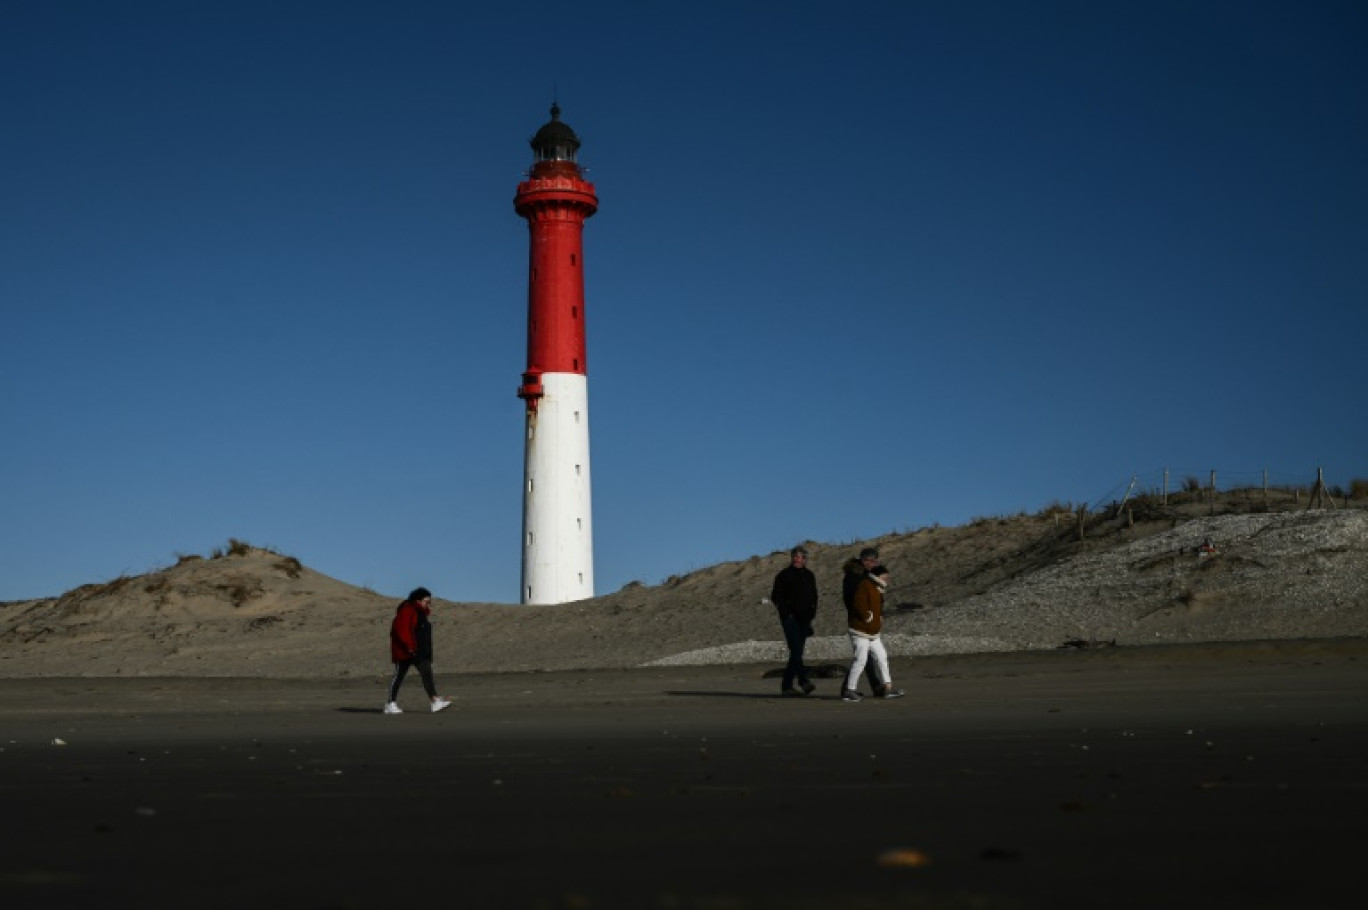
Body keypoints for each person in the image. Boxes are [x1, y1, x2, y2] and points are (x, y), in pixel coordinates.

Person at [841, 552, 904, 702]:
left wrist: (877, 618)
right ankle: (850, 690)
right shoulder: (863, 583)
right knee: (861, 660)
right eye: (884, 577)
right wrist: (867, 617)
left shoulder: (876, 587)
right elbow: (856, 603)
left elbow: (876, 606)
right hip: (860, 630)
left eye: (874, 561)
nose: (887, 579)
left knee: (881, 657)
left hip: (872, 632)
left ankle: (887, 688)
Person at [383, 587, 452, 714]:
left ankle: (435, 701)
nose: (429, 604)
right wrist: (409, 647)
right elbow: (401, 630)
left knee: (427, 673)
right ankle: (390, 703)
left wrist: (427, 654)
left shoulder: (421, 614)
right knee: (398, 676)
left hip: (419, 652)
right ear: (418, 600)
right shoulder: (408, 610)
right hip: (406, 651)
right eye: (427, 601)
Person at [770, 546, 818, 696]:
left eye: (800, 557)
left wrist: (812, 613)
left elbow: (814, 596)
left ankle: (786, 686)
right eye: (795, 556)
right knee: (796, 649)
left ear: (805, 559)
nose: (797, 559)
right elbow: (776, 597)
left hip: (805, 618)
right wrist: (786, 613)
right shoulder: (784, 575)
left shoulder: (809, 575)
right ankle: (803, 681)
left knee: (797, 652)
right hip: (790, 618)